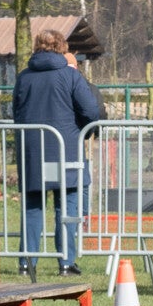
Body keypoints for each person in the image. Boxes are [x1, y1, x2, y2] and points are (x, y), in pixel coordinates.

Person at [12, 28, 101, 277]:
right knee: (67, 205)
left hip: (33, 151)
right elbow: (91, 110)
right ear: (62, 47)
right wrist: (82, 130)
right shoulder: (70, 76)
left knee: (32, 206)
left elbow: (16, 111)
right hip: (66, 149)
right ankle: (66, 262)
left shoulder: (24, 77)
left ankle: (27, 263)